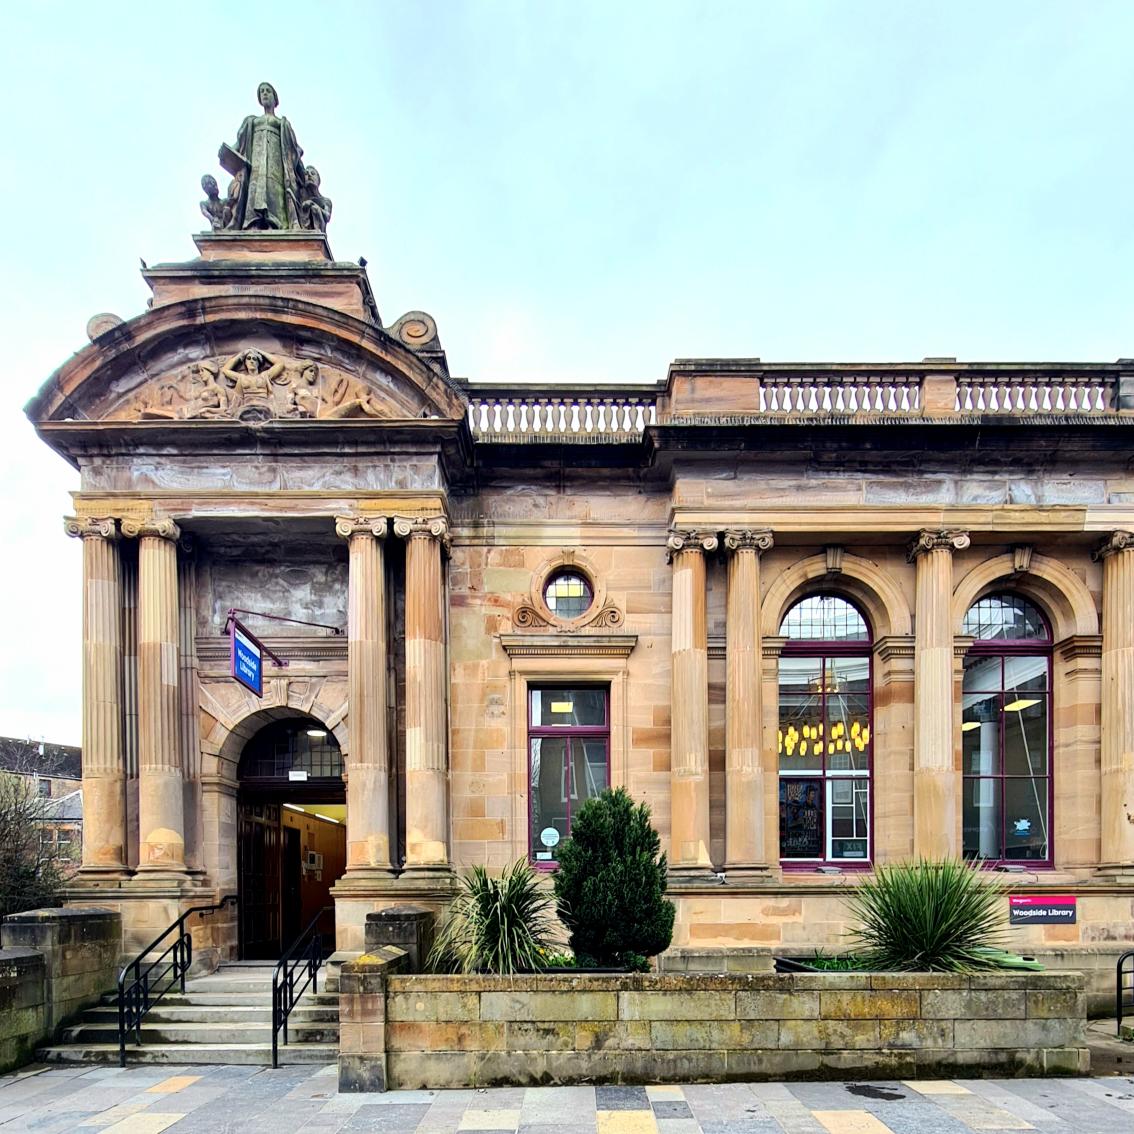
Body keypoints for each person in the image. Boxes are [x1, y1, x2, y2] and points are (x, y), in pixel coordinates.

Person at [222, 82, 306, 230]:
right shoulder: (252, 121)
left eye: (268, 91)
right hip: (256, 166)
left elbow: (294, 150)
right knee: (255, 191)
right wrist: (228, 153)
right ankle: (252, 222)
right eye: (262, 92)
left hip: (276, 167)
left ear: (275, 98)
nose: (265, 94)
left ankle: (275, 222)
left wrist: (302, 174)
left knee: (274, 191)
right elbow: (239, 144)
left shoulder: (281, 123)